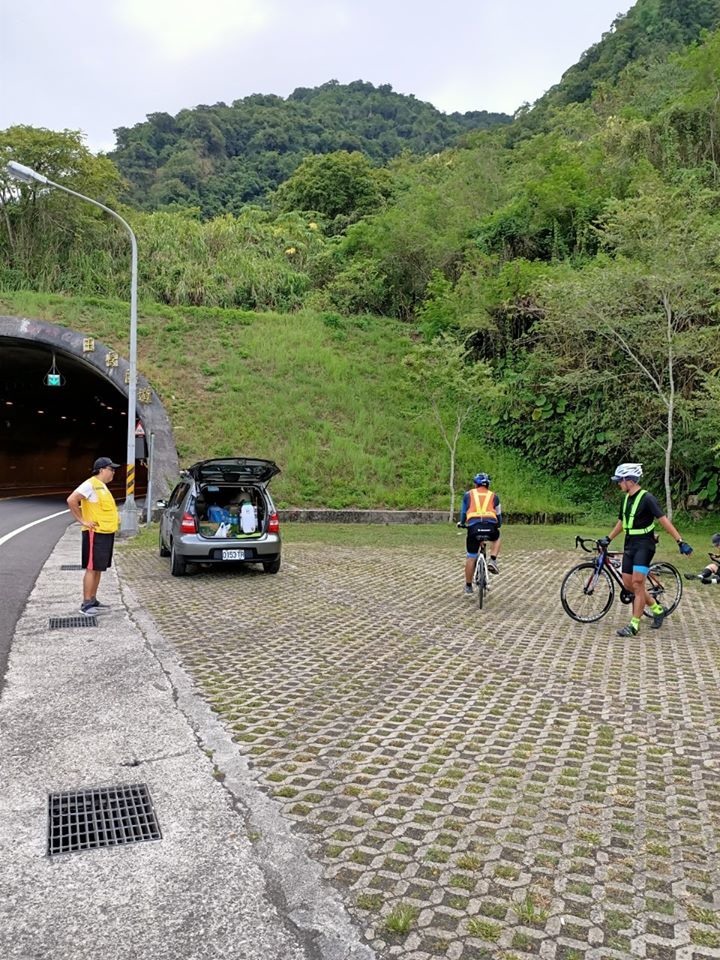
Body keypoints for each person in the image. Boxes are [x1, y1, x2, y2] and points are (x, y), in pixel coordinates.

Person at [599, 462, 693, 637]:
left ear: (630, 480)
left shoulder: (648, 498)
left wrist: (680, 541)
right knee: (629, 585)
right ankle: (657, 609)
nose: (618, 484)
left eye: (620, 480)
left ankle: (634, 625)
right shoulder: (626, 498)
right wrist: (609, 538)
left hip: (645, 545)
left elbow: (664, 521)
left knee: (637, 583)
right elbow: (622, 522)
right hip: (630, 545)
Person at [66, 457, 120, 616]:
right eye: (111, 469)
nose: (113, 472)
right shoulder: (90, 484)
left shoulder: (101, 487)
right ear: (102, 469)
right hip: (94, 533)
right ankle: (86, 604)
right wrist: (82, 520)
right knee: (91, 568)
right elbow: (71, 499)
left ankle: (93, 599)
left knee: (98, 568)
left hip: (104, 532)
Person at [457, 472, 502, 595]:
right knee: (497, 537)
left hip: (473, 528)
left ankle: (468, 586)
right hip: (490, 527)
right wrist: (498, 525)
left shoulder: (468, 495)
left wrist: (462, 523)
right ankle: (492, 560)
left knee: (471, 556)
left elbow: (463, 513)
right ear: (488, 484)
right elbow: (499, 516)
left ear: (475, 484)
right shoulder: (494, 496)